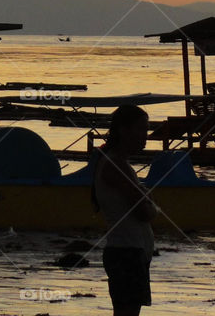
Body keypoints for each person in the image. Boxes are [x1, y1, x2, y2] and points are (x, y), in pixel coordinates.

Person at [93, 104, 157, 316]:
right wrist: (149, 203)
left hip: (131, 253)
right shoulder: (115, 165)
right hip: (126, 254)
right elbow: (144, 212)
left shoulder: (120, 164)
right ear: (123, 130)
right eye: (140, 129)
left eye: (146, 130)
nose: (144, 136)